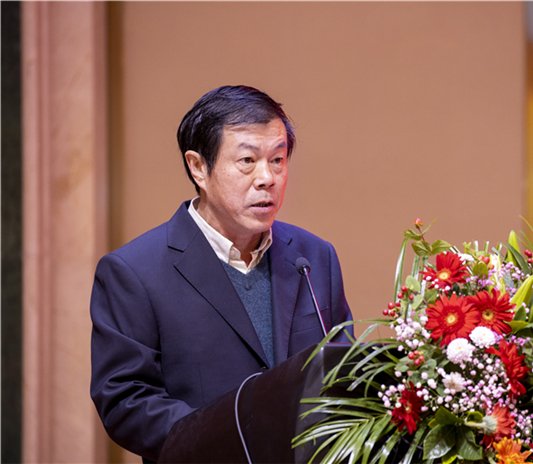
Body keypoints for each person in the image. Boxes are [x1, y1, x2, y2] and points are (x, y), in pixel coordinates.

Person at [90, 85, 354, 462]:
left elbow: (342, 374)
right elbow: (126, 401)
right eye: (247, 160)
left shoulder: (313, 257)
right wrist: (230, 440)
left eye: (277, 160)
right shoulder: (134, 272)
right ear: (198, 167)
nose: (267, 178)